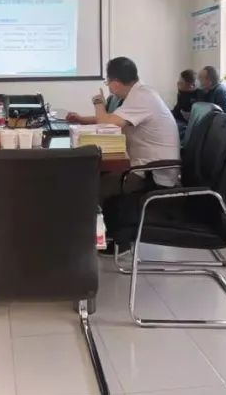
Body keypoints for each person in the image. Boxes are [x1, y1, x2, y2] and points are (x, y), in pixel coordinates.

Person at [68, 57, 181, 253]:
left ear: (115, 83)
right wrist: (82, 120)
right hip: (146, 165)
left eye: (108, 82)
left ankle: (115, 240)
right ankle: (111, 235)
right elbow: (113, 118)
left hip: (152, 172)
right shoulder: (140, 93)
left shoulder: (141, 97)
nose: (108, 87)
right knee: (96, 180)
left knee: (93, 186)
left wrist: (98, 101)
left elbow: (107, 123)